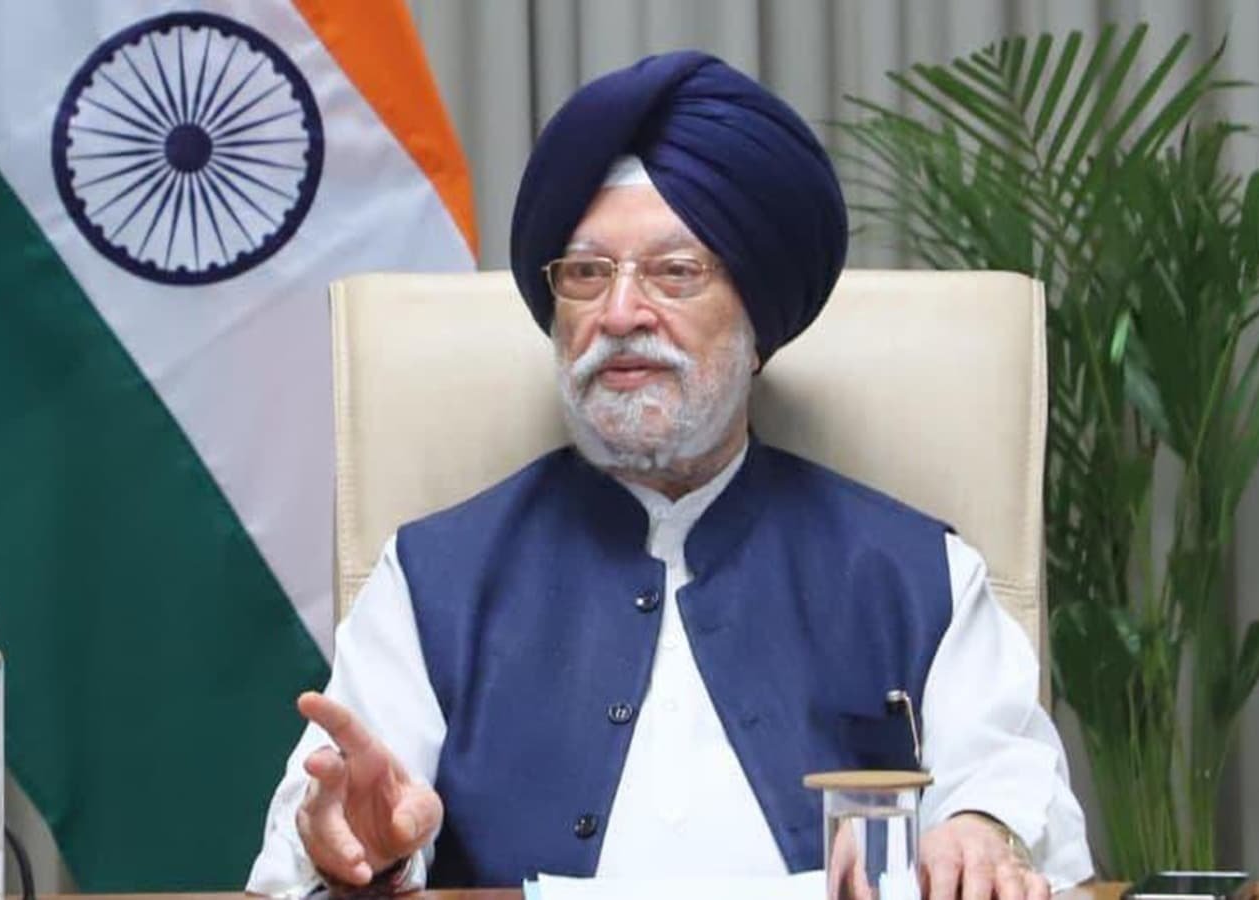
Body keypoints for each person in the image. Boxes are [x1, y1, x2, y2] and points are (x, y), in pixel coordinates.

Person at [247, 50, 1093, 898]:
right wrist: (361, 848)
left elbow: (1010, 788)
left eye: (675, 272)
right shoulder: (431, 580)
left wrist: (981, 828)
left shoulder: (917, 574)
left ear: (757, 326)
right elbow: (329, 835)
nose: (620, 313)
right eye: (586, 273)